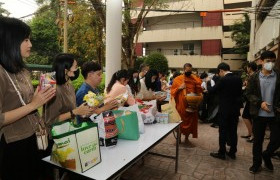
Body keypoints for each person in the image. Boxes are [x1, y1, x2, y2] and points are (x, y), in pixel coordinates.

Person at [0, 17, 56, 180]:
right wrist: (34, 105)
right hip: (14, 145)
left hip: (34, 138)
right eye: (25, 39)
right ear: (9, 41)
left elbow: (27, 101)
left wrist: (41, 95)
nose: (30, 44)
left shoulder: (21, 70)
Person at [246, 51, 280, 173]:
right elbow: (248, 94)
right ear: (261, 61)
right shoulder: (254, 77)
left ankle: (267, 154)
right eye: (268, 61)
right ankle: (256, 164)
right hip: (259, 114)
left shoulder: (278, 76)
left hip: (275, 114)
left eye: (273, 61)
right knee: (257, 141)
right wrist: (260, 103)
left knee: (277, 139)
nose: (270, 64)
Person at [45, 54, 94, 127]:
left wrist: (81, 110)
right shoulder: (54, 89)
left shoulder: (69, 86)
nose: (77, 69)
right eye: (75, 67)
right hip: (57, 134)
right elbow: (51, 120)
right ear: (65, 70)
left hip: (69, 130)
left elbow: (70, 110)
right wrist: (75, 112)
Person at [208, 62, 242, 160]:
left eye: (219, 73)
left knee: (222, 131)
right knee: (233, 131)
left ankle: (221, 152)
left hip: (225, 110)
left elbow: (212, 90)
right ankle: (232, 152)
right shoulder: (238, 79)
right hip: (235, 110)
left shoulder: (223, 80)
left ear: (221, 70)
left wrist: (208, 83)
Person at [171, 63, 202, 145]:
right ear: (184, 70)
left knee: (191, 122)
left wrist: (198, 97)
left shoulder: (195, 79)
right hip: (181, 105)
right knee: (179, 121)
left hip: (192, 104)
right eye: (187, 70)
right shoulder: (178, 79)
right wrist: (179, 88)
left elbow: (199, 90)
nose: (189, 72)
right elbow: (172, 91)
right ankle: (179, 139)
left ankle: (187, 139)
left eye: (190, 70)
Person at [241, 62, 257, 143]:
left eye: (247, 67)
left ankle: (252, 135)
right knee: (247, 117)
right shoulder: (251, 76)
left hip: (252, 100)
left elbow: (251, 89)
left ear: (250, 68)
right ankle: (250, 134)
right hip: (250, 99)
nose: (246, 69)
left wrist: (246, 86)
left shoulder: (253, 76)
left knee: (246, 116)